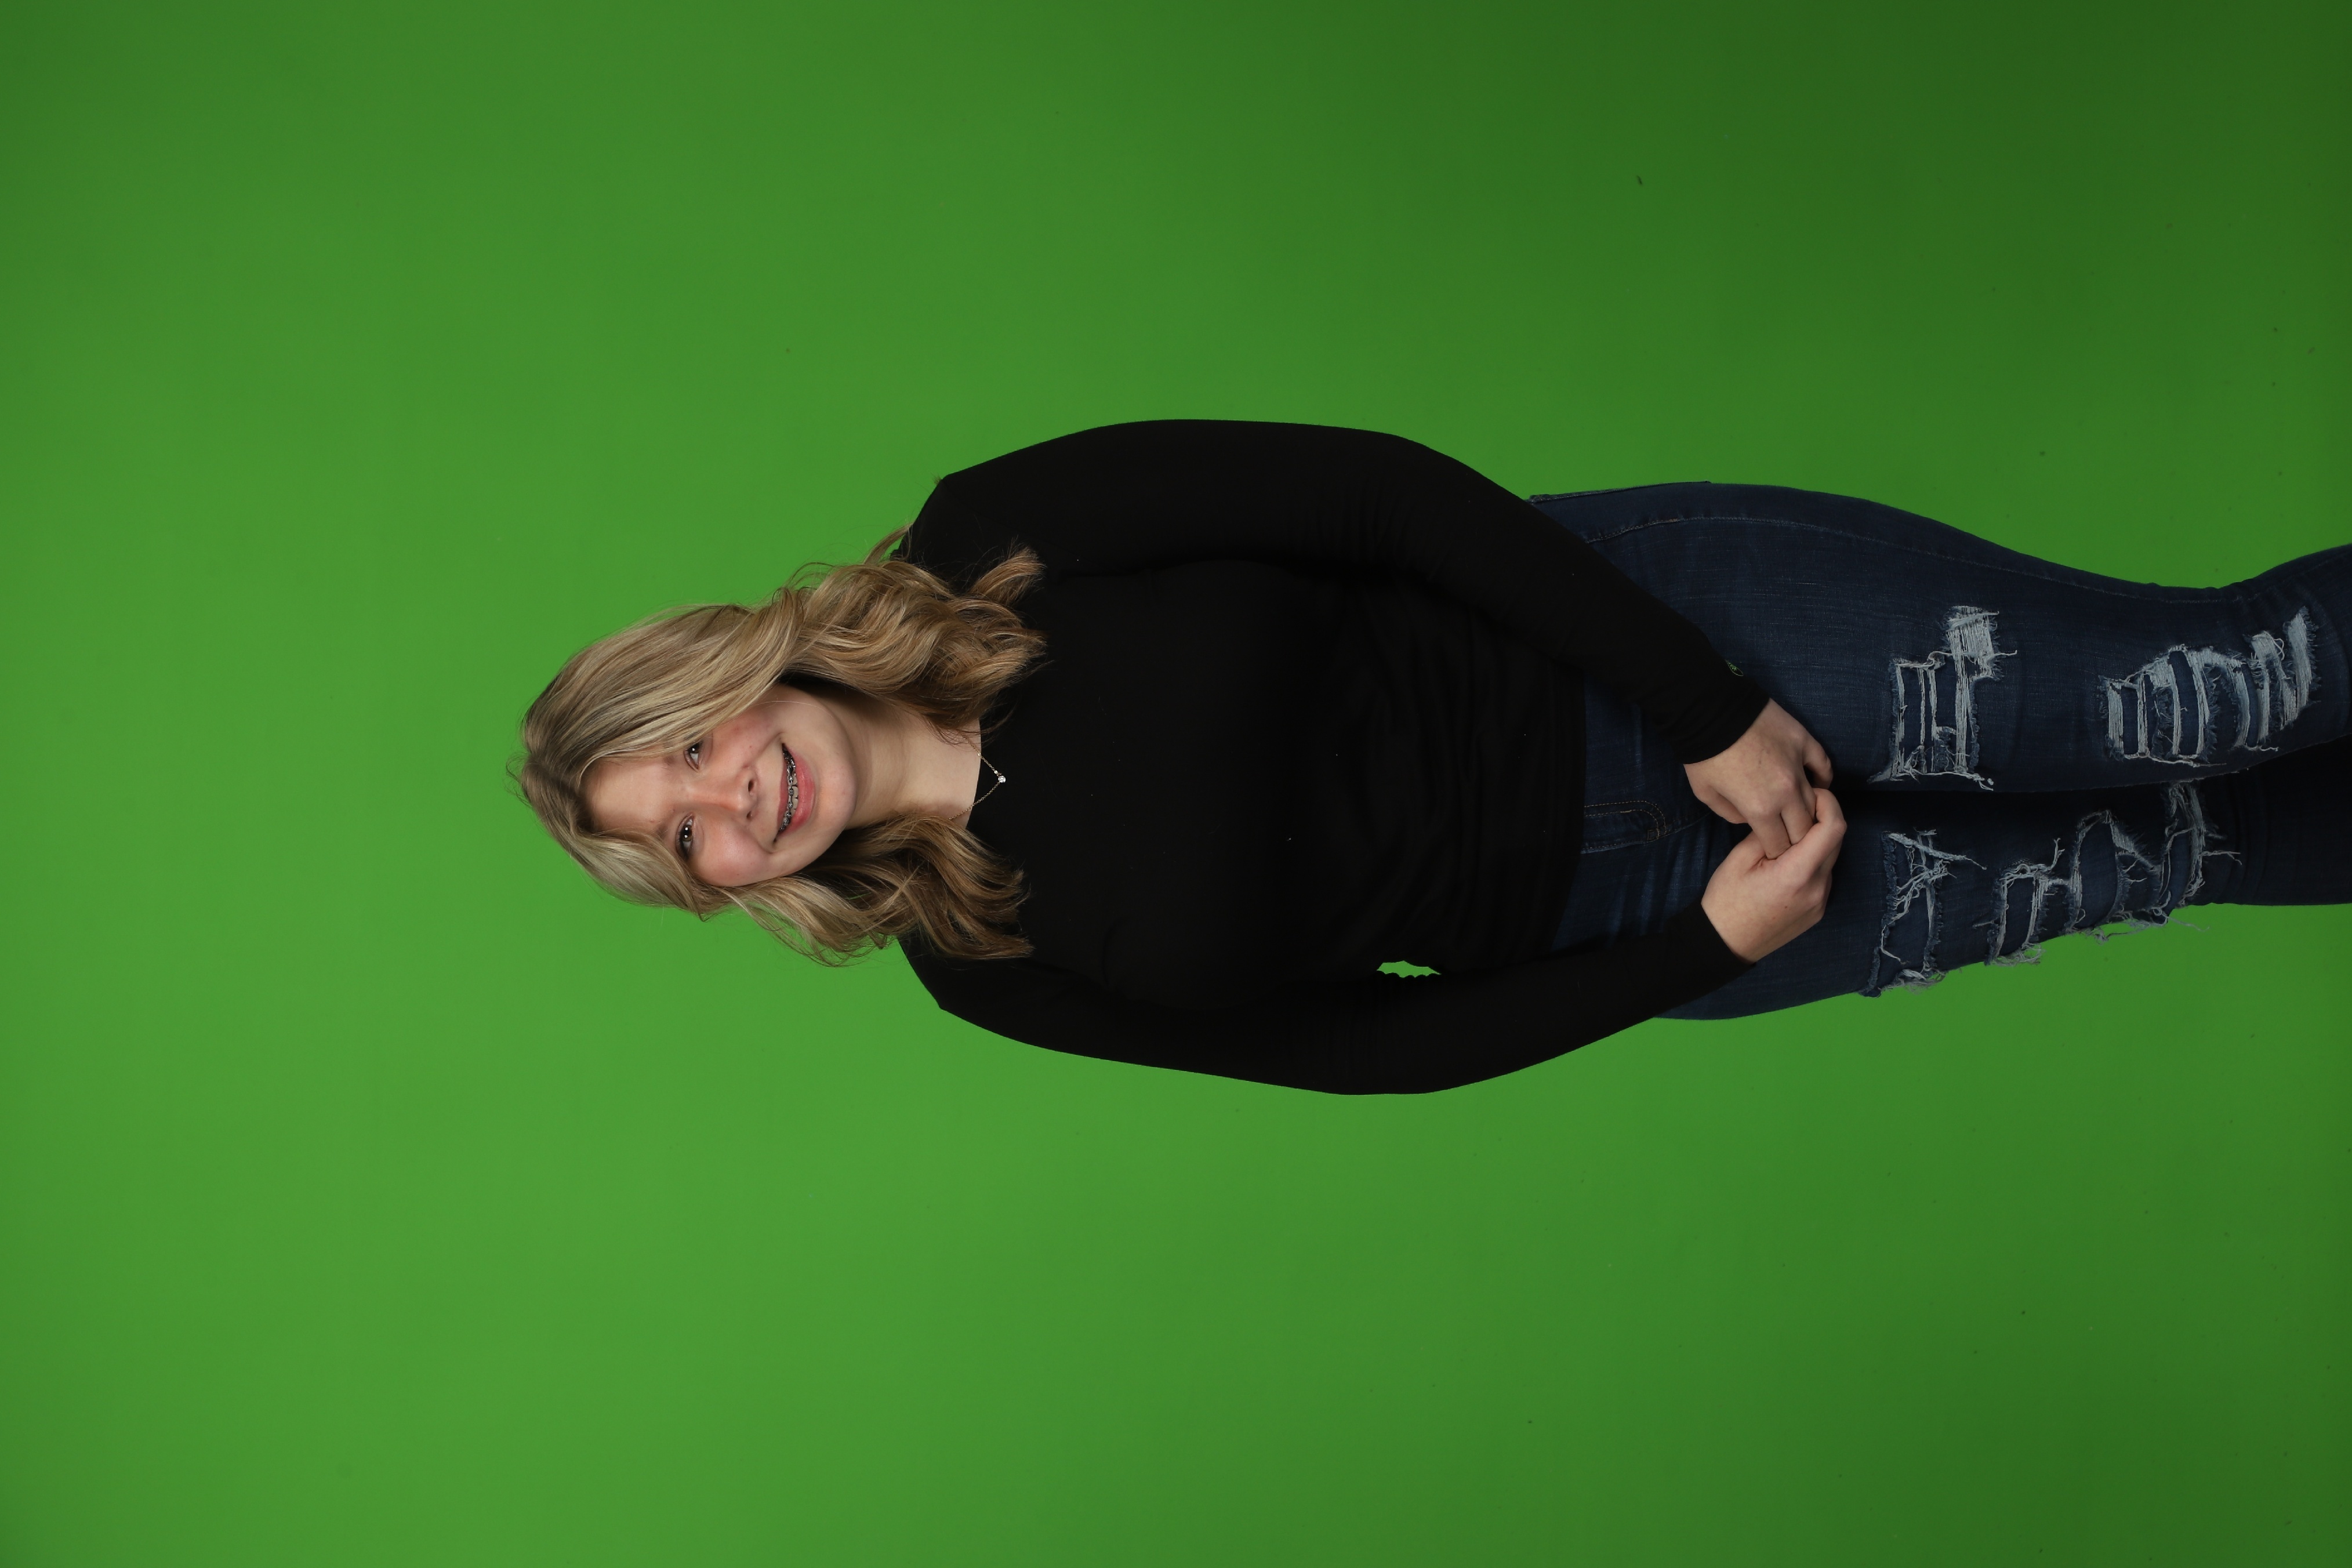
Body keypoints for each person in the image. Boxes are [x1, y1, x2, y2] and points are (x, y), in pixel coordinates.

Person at [517, 421, 2351, 1093]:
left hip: (1662, 645)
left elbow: (1378, 500)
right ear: (716, 889)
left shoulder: (990, 537)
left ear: (722, 671)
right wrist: (1703, 947)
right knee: (2176, 853)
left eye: (689, 753)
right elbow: (1369, 1048)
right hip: (1664, 910)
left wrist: (1704, 709)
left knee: (2219, 698)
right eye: (683, 842)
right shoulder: (978, 965)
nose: (728, 804)